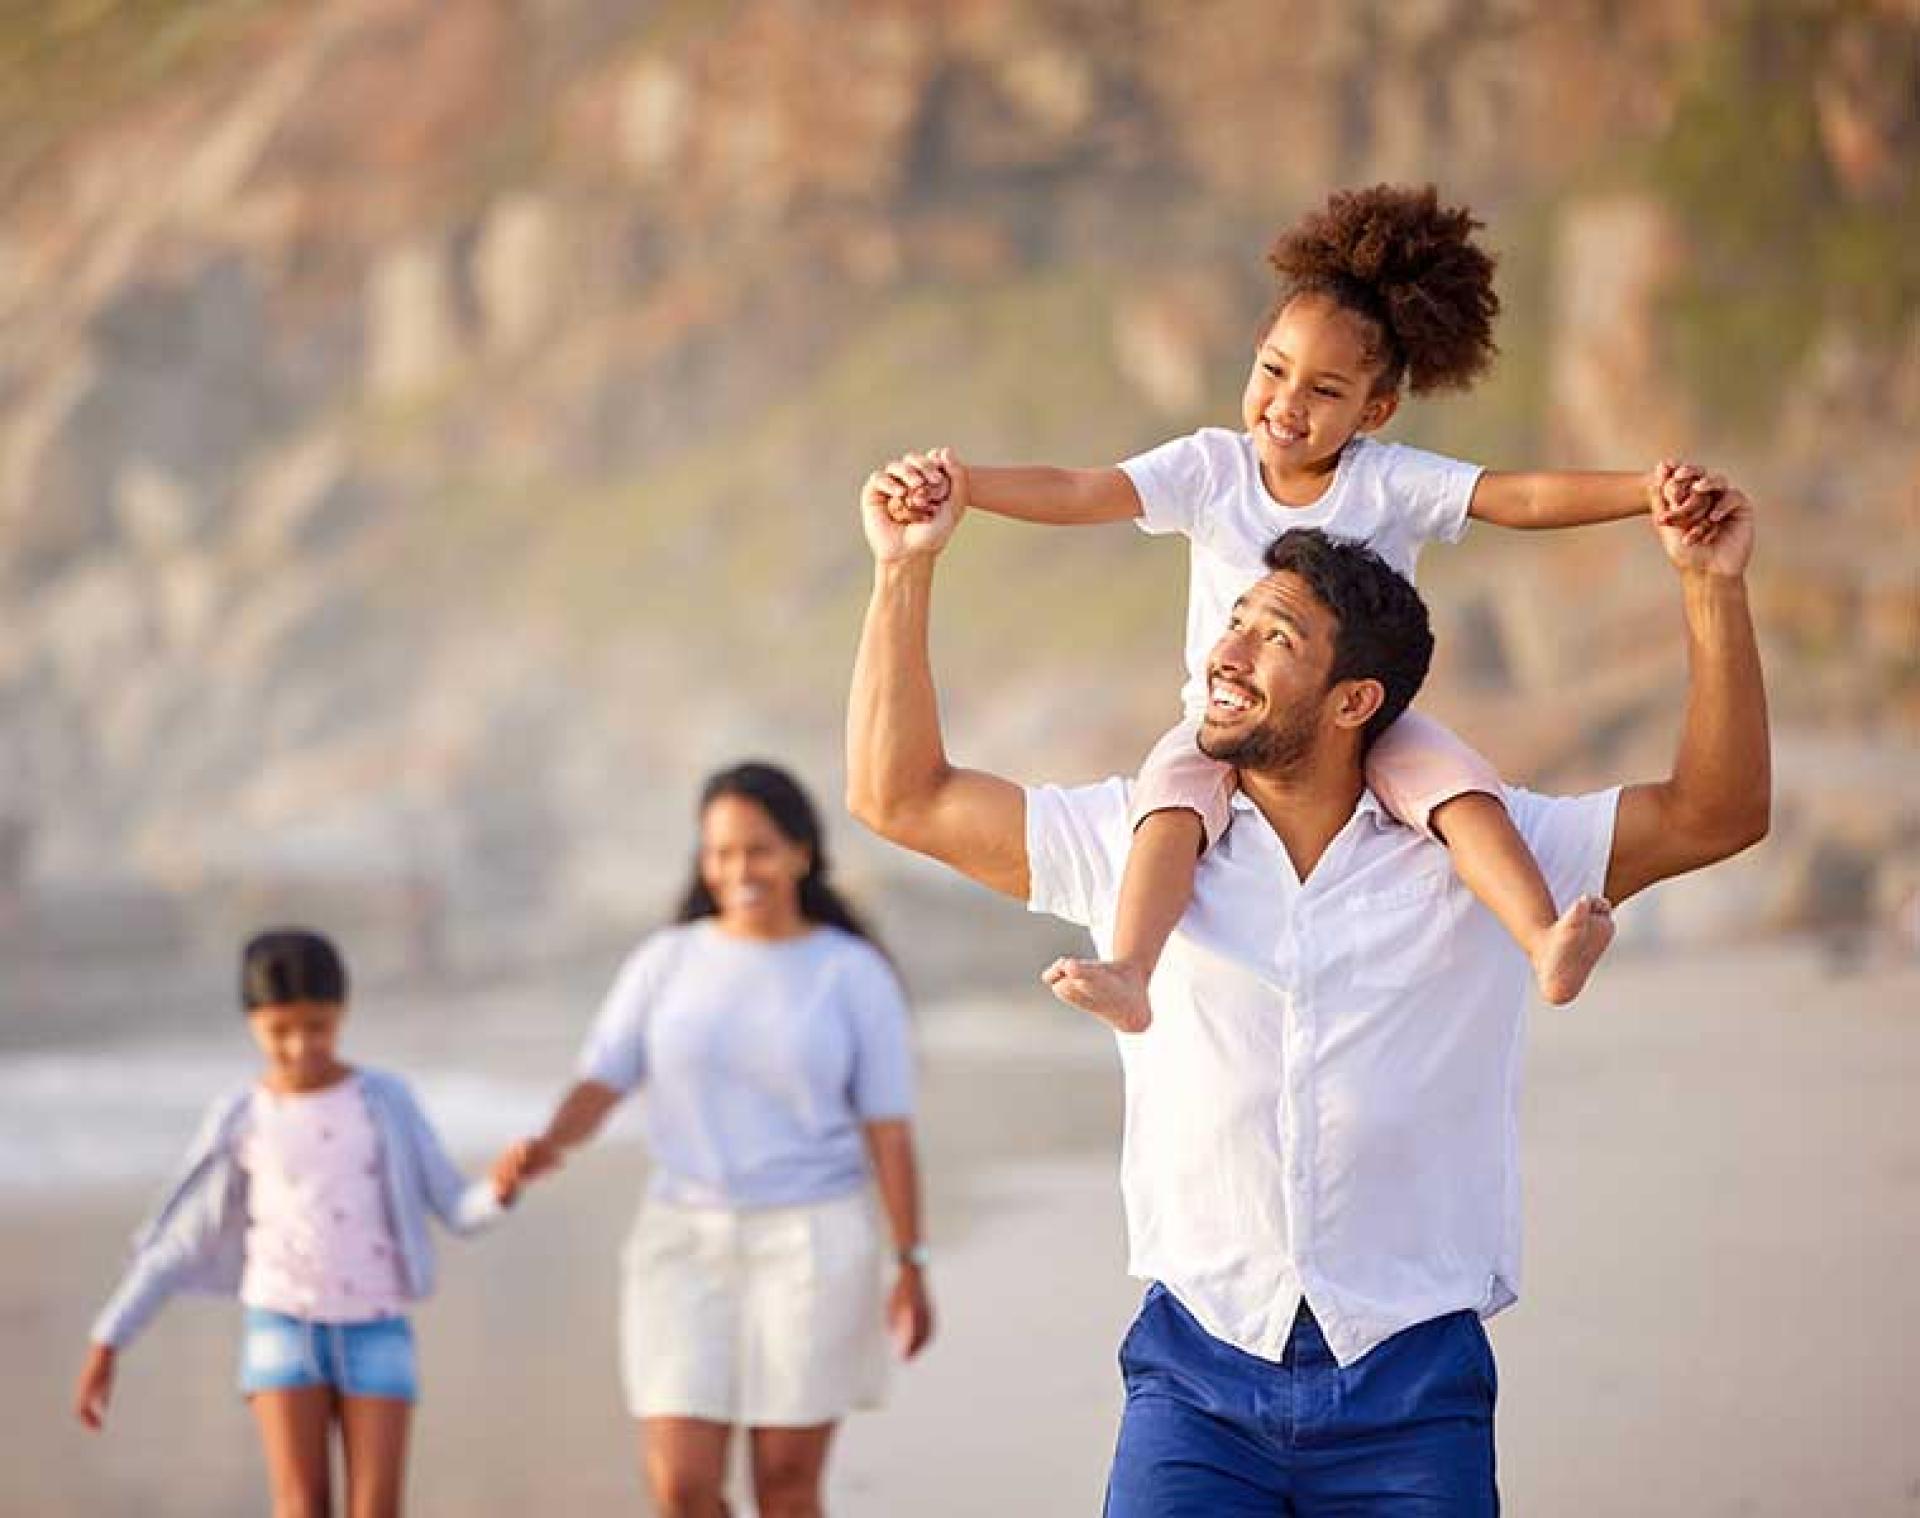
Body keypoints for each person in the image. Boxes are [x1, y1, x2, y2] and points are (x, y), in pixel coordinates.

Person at [846, 461, 1768, 1513]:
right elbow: (900, 796)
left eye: (1274, 638)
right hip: (1197, 1377)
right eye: (1233, 619)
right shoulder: (1134, 842)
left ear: (1354, 701)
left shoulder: (1483, 849)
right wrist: (902, 571)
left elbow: (1716, 812)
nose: (1224, 654)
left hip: (1413, 1390)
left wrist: (1711, 587)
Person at [871, 183, 1734, 1033]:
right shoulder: (1209, 469)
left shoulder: (1389, 480)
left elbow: (1521, 498)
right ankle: (1133, 970)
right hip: (1221, 720)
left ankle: (1543, 937)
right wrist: (966, 485)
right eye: (1274, 371)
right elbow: (1081, 488)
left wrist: (1644, 491)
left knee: (1460, 792)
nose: (1287, 404)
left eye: (1325, 391)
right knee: (1169, 807)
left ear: (1376, 409)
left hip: (1371, 722)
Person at [495, 762, 933, 1518]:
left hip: (813, 1244)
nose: (738, 869)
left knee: (786, 1489)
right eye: (720, 852)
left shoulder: (850, 973)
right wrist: (548, 1144)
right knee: (682, 1486)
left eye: (757, 849)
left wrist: (909, 1262)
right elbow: (603, 1077)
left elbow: (888, 1131)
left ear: (801, 852)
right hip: (682, 1241)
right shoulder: (667, 961)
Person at [73, 928, 518, 1518]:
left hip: (376, 1327)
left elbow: (457, 1207)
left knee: (378, 1510)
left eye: (318, 1026)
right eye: (279, 1031)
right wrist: (109, 1339)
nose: (301, 1046)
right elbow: (179, 1241)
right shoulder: (241, 1115)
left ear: (342, 1014)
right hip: (282, 1326)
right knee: (301, 1506)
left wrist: (503, 1188)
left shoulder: (385, 1100)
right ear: (252, 1021)